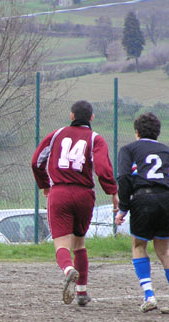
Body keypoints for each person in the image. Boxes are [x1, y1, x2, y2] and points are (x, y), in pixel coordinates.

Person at [32, 100, 118, 306]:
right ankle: (81, 292)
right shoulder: (96, 138)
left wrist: (44, 184)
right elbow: (103, 169)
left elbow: (36, 161)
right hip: (84, 195)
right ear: (92, 117)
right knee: (79, 243)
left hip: (60, 192)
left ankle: (68, 269)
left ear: (71, 116)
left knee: (62, 244)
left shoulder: (56, 135)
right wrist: (112, 191)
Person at [114, 112, 169, 314]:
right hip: (167, 199)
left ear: (137, 132)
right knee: (164, 251)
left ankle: (149, 296)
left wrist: (123, 207)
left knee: (139, 245)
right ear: (158, 133)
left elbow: (124, 177)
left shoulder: (128, 149)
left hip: (143, 198)